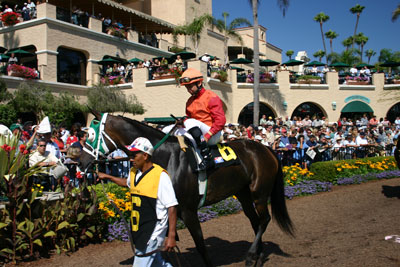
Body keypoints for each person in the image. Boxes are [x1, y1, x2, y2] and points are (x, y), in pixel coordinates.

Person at [97, 137, 178, 267]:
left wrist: (171, 236)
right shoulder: (134, 172)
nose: (131, 158)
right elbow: (127, 183)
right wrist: (108, 177)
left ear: (145, 155)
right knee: (157, 264)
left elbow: (172, 206)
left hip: (154, 230)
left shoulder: (160, 176)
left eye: (134, 155)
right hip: (140, 227)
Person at [178, 68, 226, 171]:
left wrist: (208, 135)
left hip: (213, 134)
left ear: (199, 83)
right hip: (198, 133)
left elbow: (221, 121)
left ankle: (207, 157)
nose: (188, 89)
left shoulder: (211, 97)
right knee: (171, 130)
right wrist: (181, 123)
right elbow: (189, 121)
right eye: (187, 87)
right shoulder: (189, 101)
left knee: (189, 122)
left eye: (190, 86)